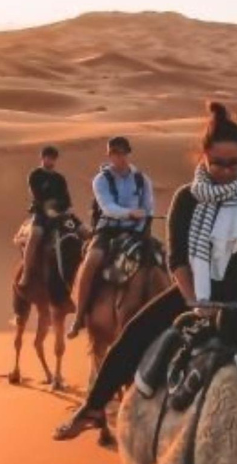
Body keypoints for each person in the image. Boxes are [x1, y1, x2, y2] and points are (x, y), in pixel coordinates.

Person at [54, 102, 237, 444]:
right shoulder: (187, 198)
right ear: (203, 156)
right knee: (132, 336)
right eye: (218, 163)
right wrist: (194, 301)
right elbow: (177, 260)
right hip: (196, 296)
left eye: (235, 163)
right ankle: (93, 408)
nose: (227, 170)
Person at [66, 136, 154, 339]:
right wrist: (129, 213)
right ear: (110, 155)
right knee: (91, 261)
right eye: (115, 153)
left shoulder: (142, 179)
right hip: (108, 230)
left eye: (123, 153)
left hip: (136, 231)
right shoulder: (101, 180)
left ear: (128, 154)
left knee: (161, 259)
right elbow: (108, 207)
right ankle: (79, 316)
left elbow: (148, 207)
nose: (119, 157)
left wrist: (140, 225)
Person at [17, 146, 73, 287]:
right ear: (42, 158)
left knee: (83, 232)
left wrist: (62, 210)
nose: (50, 160)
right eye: (48, 157)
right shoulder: (35, 175)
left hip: (59, 214)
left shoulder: (59, 178)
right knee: (35, 234)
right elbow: (38, 196)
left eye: (53, 158)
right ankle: (26, 273)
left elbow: (66, 200)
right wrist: (50, 208)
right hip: (41, 213)